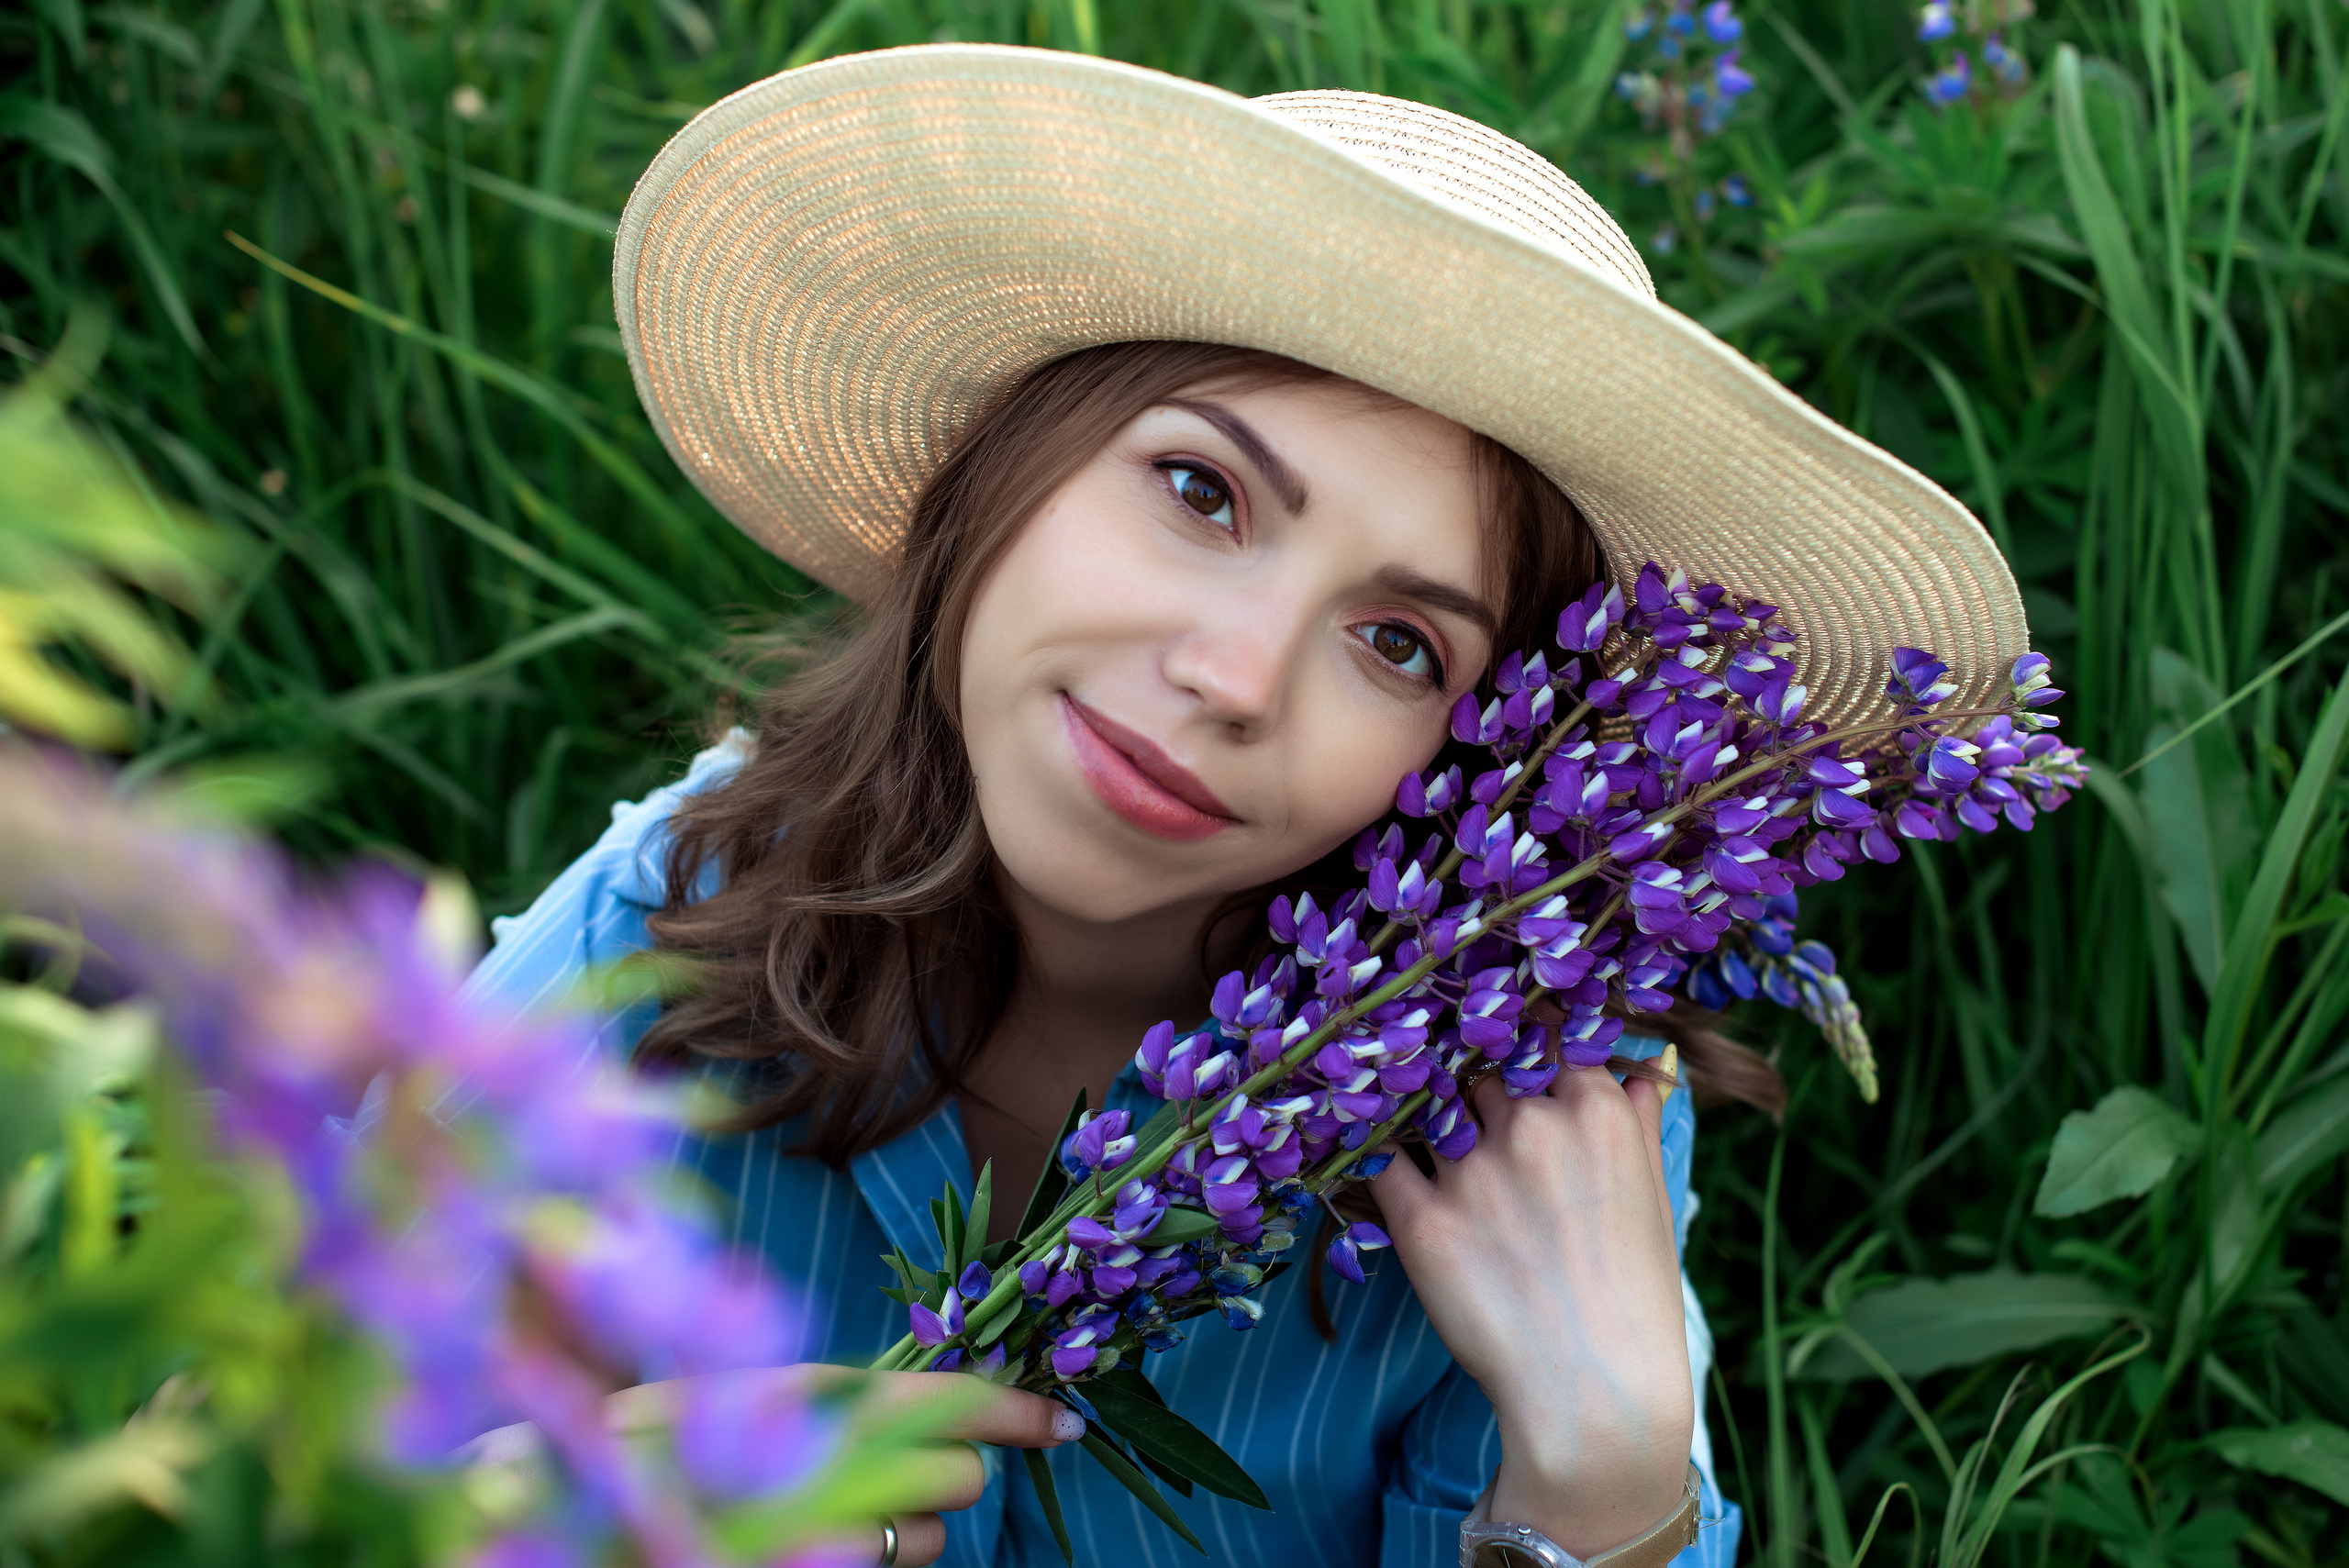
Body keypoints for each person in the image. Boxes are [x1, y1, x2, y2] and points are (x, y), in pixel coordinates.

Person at [466, 42, 2022, 1568]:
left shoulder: (1524, 1114)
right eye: (1202, 491)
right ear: (1008, 466)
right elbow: (244, 1440)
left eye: (1399, 643)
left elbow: (1599, 1478)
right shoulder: (664, 918)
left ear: (1481, 762)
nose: (1235, 676)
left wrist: (1605, 1488)